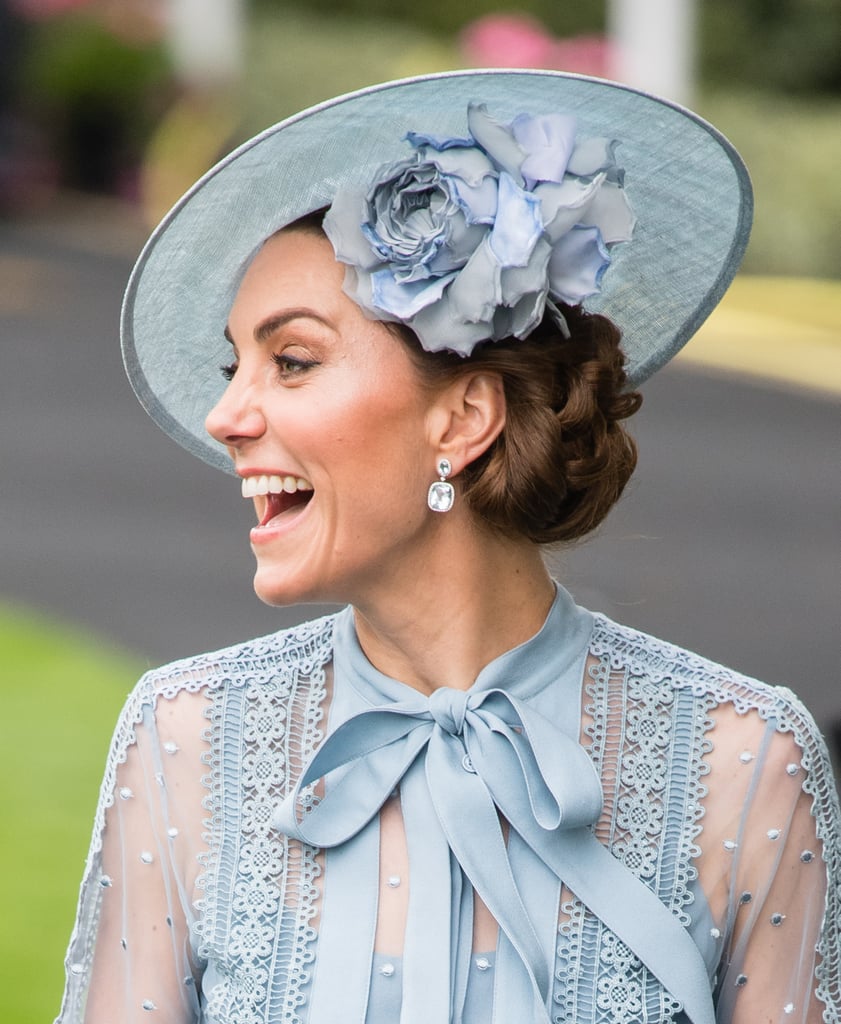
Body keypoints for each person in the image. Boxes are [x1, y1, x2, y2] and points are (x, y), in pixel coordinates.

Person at [56, 70, 839, 1024]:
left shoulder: (744, 761)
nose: (226, 416)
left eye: (291, 360)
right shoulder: (182, 741)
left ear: (463, 417)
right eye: (236, 365)